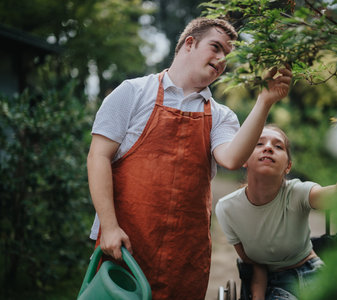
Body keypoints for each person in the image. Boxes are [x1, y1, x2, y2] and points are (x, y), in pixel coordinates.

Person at [86, 17, 293, 299]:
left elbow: (231, 159)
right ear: (190, 43)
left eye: (227, 56)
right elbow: (98, 157)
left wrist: (264, 101)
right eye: (216, 47)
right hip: (125, 248)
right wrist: (109, 227)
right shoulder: (133, 93)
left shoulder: (221, 116)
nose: (221, 60)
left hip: (184, 258)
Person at [215, 124, 337, 300]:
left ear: (288, 166)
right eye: (259, 144)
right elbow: (254, 265)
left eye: (278, 146)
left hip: (314, 273)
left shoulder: (297, 192)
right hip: (275, 283)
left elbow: (335, 196)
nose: (268, 147)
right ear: (244, 159)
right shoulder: (227, 209)